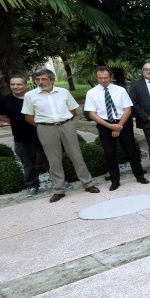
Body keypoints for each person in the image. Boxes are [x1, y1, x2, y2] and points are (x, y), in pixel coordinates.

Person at [21, 69, 100, 202]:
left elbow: (73, 110)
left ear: (52, 80)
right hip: (45, 128)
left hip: (66, 126)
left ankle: (88, 184)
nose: (40, 82)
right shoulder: (30, 96)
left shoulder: (63, 92)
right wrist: (43, 126)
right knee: (53, 160)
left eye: (44, 79)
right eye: (38, 79)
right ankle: (59, 190)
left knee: (76, 155)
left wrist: (65, 122)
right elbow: (28, 117)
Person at [84, 67, 148, 190]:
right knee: (110, 154)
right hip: (104, 124)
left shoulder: (120, 90)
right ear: (96, 78)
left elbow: (128, 109)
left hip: (123, 122)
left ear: (111, 77)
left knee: (131, 151)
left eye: (105, 78)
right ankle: (115, 181)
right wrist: (110, 126)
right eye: (100, 78)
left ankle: (140, 176)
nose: (103, 80)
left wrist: (119, 126)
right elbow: (92, 114)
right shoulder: (91, 93)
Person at [0, 75, 44, 197]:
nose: (15, 87)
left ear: (26, 86)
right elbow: (3, 117)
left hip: (42, 133)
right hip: (21, 137)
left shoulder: (35, 97)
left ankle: (59, 182)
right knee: (28, 163)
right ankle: (32, 186)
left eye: (19, 84)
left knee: (50, 159)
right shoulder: (5, 100)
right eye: (13, 84)